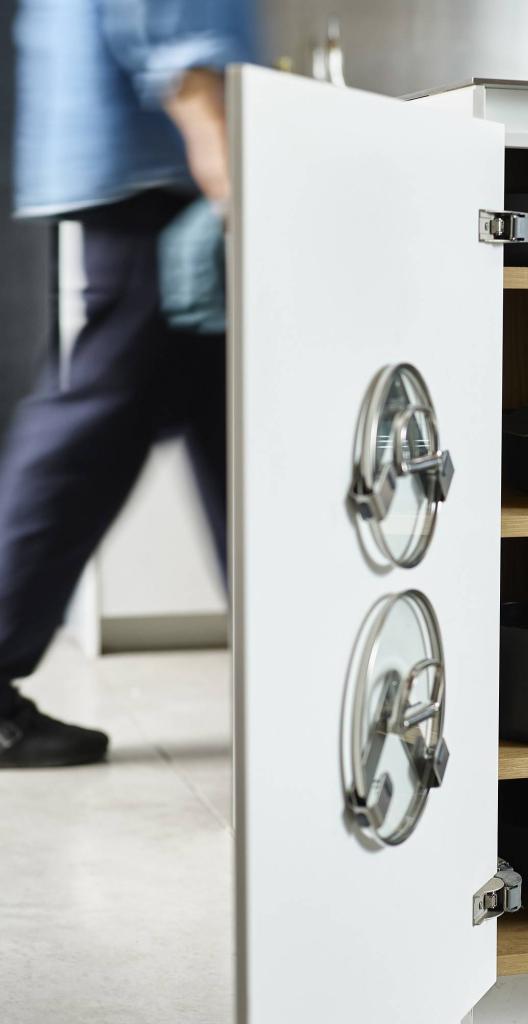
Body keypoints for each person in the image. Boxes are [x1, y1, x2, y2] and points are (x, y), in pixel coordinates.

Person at [0, 0, 258, 767]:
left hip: (142, 163)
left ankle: (297, 673)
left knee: (235, 428)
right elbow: (168, 22)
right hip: (157, 171)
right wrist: (222, 156)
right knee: (95, 424)